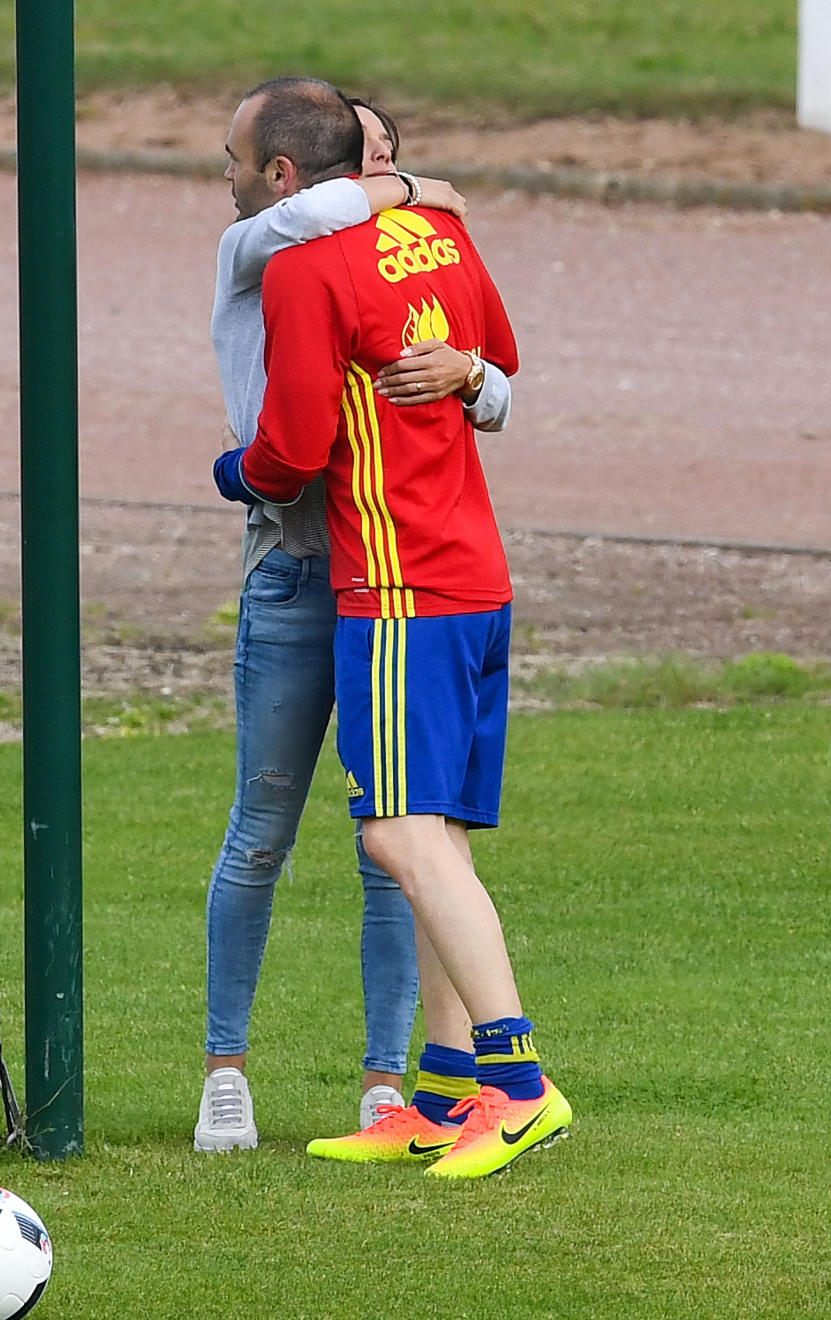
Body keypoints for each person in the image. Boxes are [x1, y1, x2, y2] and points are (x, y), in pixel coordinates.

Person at [214, 82, 570, 1179]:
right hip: (474, 572)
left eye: (230, 154)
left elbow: (291, 447)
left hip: (398, 586)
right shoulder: (439, 233)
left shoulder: (304, 270)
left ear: (284, 172)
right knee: (438, 840)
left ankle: (518, 1086)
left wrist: (231, 473)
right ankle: (439, 1090)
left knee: (396, 838)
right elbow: (500, 357)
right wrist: (465, 373)